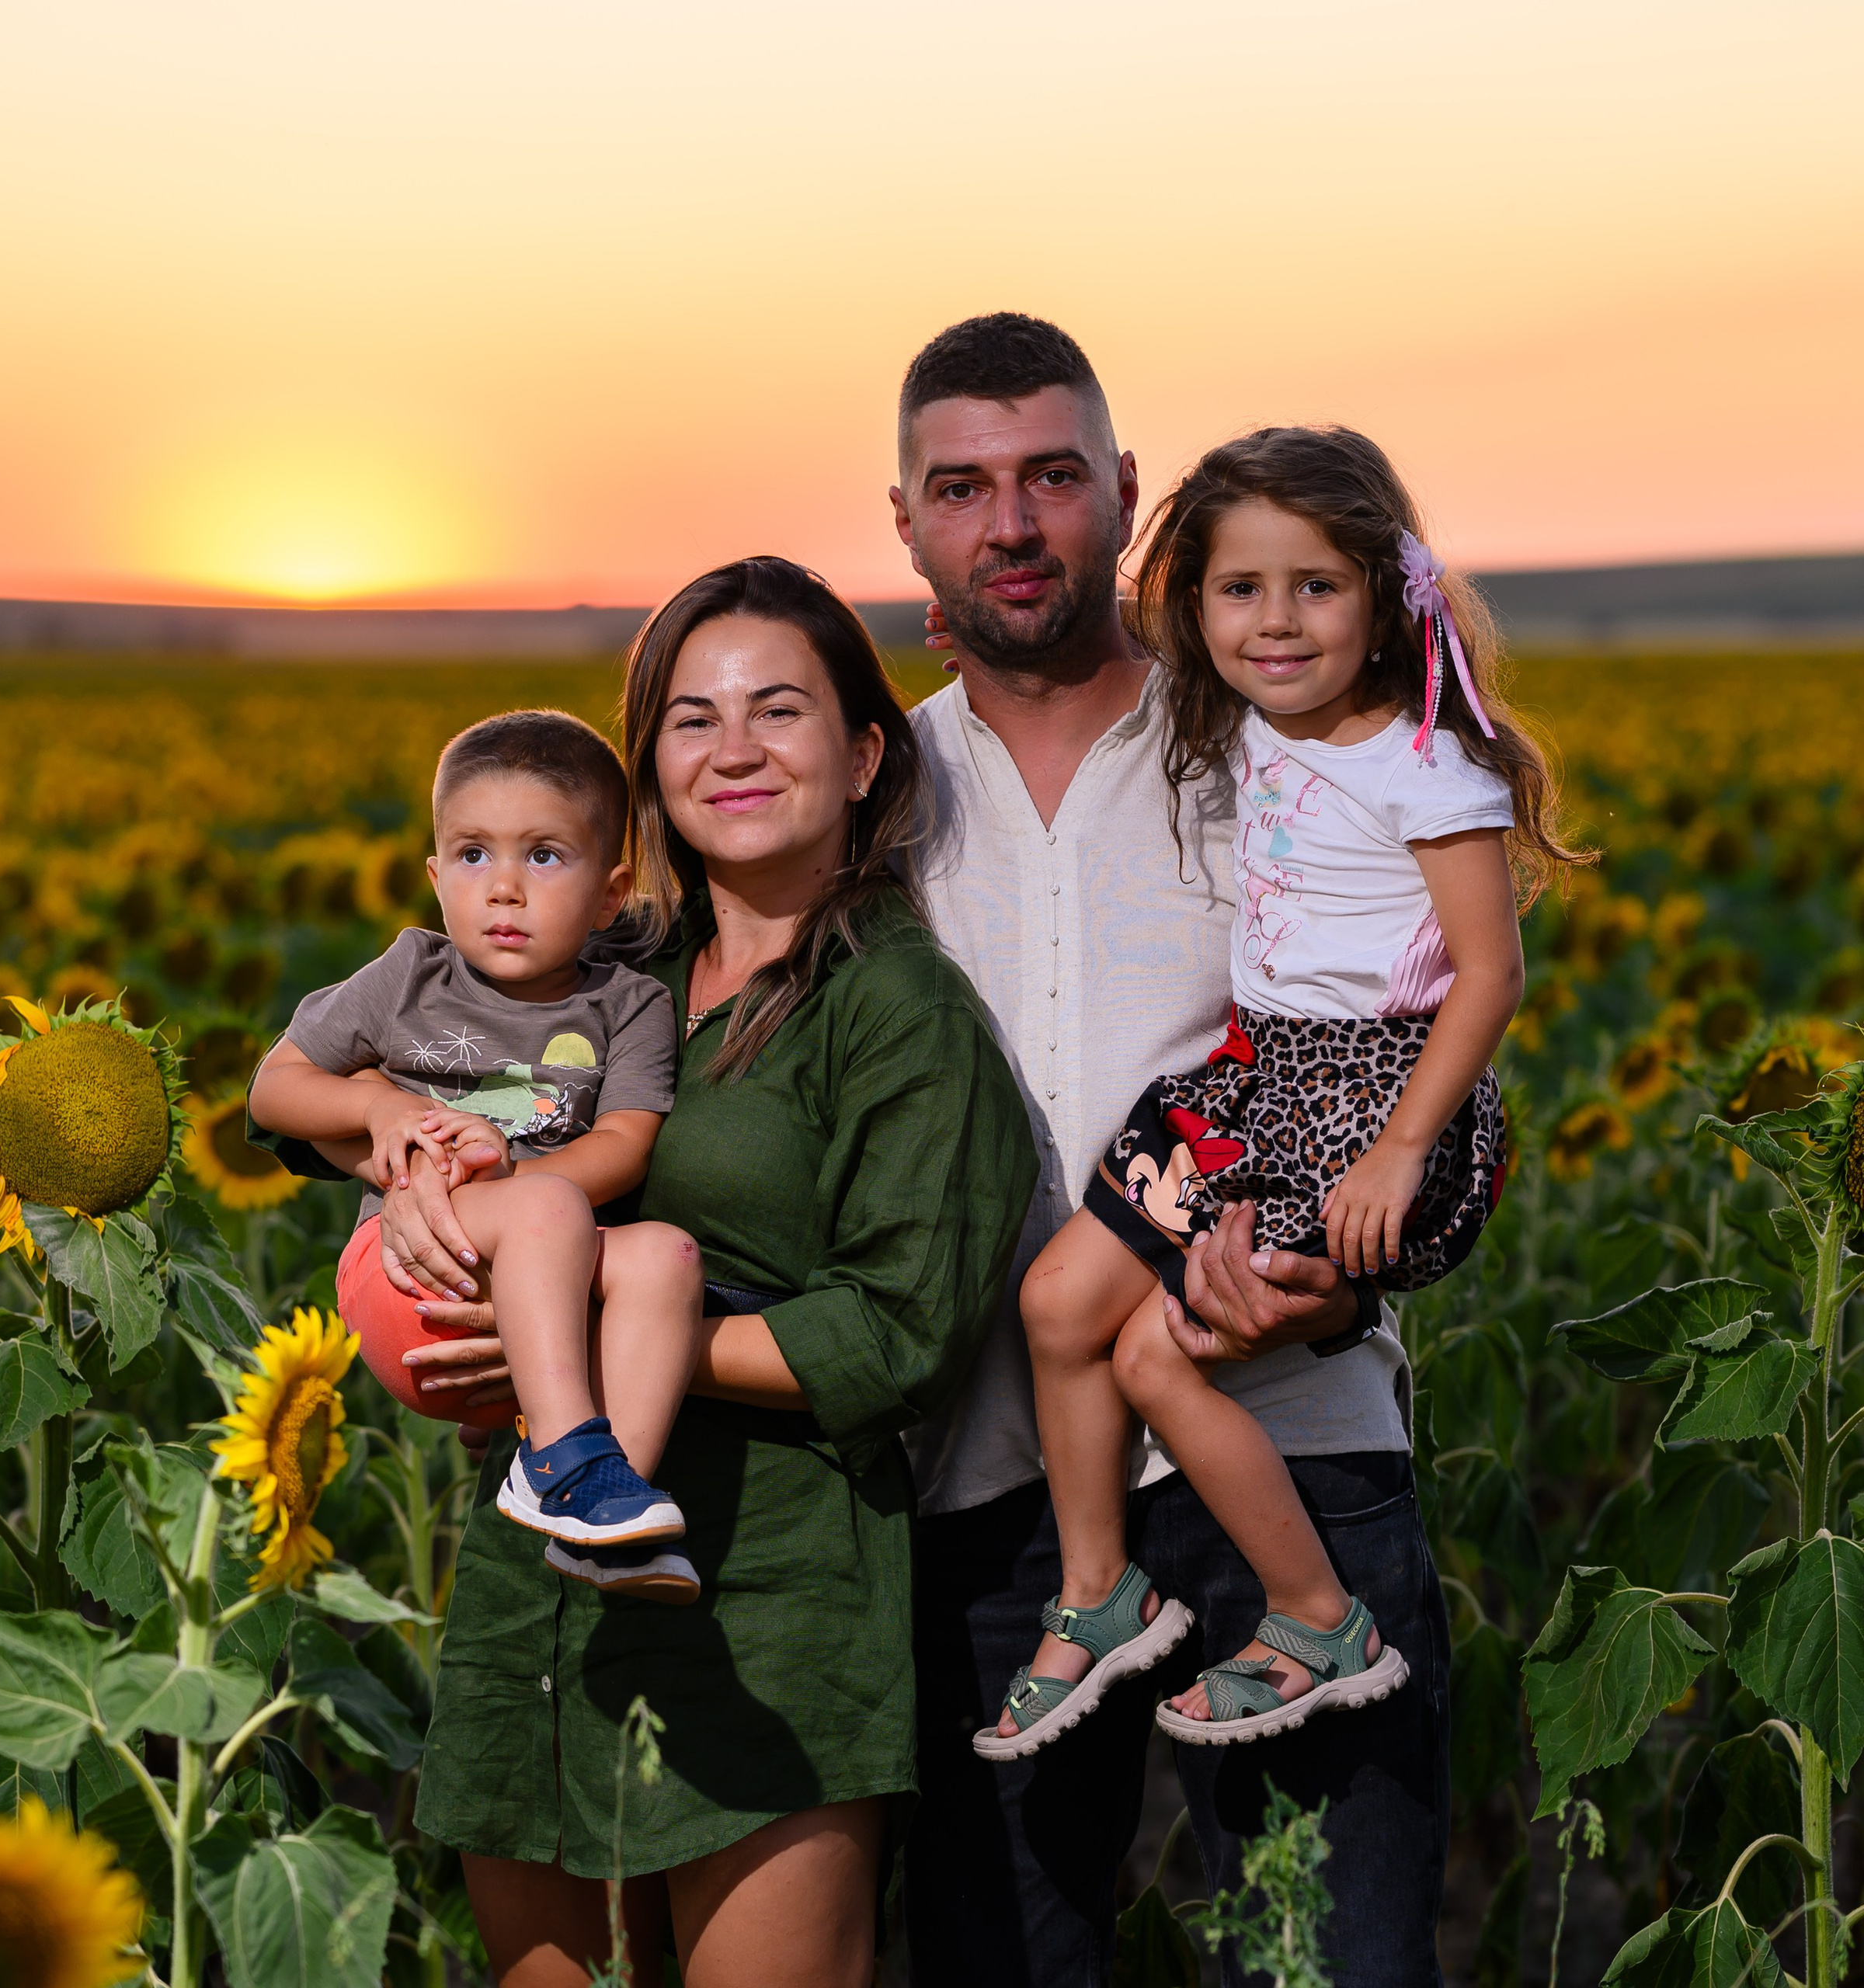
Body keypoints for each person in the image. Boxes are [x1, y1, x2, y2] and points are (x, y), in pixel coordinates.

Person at [291, 558, 1035, 1988]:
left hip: (765, 1597)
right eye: (692, 718)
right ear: (648, 771)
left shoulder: (899, 1010)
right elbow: (351, 1090)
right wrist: (390, 1136)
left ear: (868, 752)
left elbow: (898, 1335)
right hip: (534, 1589)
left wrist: (594, 1338)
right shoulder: (607, 968)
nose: (734, 747)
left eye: (780, 710)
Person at [891, 315, 1458, 1985]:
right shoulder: (866, 791)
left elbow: (1423, 1065)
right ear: (906, 522)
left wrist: (1325, 1281)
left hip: (1289, 1451)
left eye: (1052, 476)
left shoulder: (1283, 754)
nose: (1011, 521)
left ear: (1125, 495)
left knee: (1328, 1963)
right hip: (989, 1492)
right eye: (963, 486)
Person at [985, 426, 1581, 1762]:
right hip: (1255, 1076)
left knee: (1148, 1352)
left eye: (1316, 585)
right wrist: (979, 641)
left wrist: (1398, 1155)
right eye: (1240, 588)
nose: (1276, 621)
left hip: (1371, 1100)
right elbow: (1116, 656)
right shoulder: (1246, 721)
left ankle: (1317, 1616)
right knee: (1058, 1301)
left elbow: (1489, 976)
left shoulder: (1424, 764)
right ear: (1195, 606)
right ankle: (1097, 1594)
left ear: (1384, 596)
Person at [249, 710, 708, 1600]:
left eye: (543, 856)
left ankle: (599, 1508)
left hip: (547, 1304)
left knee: (666, 1256)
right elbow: (276, 1088)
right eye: (472, 855)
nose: (503, 888)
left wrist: (519, 1178)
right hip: (415, 1279)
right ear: (433, 875)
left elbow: (623, 1145)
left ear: (611, 893)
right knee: (554, 1211)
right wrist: (378, 1105)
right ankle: (567, 1456)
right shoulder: (411, 974)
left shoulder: (629, 1004)